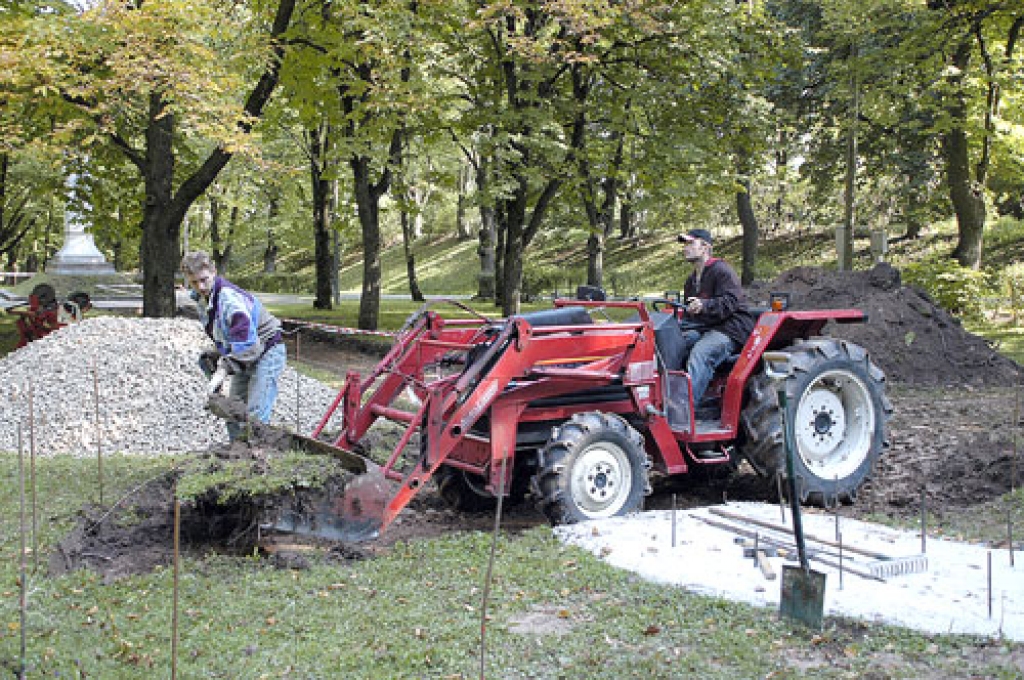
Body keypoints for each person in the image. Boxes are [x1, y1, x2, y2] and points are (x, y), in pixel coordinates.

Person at [180, 251, 286, 440]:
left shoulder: (229, 300)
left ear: (214, 271)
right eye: (194, 282)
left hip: (266, 350)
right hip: (244, 355)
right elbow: (228, 334)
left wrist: (223, 370)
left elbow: (248, 345)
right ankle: (237, 452)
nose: (200, 287)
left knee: (255, 414)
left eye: (204, 280)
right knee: (233, 412)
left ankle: (257, 453)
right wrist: (217, 355)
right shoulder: (203, 300)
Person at [676, 228, 755, 414]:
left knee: (701, 352)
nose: (686, 248)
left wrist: (704, 305)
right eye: (685, 244)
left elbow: (731, 301)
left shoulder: (721, 271)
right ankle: (668, 397)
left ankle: (684, 411)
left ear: (705, 247)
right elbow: (691, 313)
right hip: (706, 327)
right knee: (674, 344)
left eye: (690, 243)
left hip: (731, 328)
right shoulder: (691, 280)